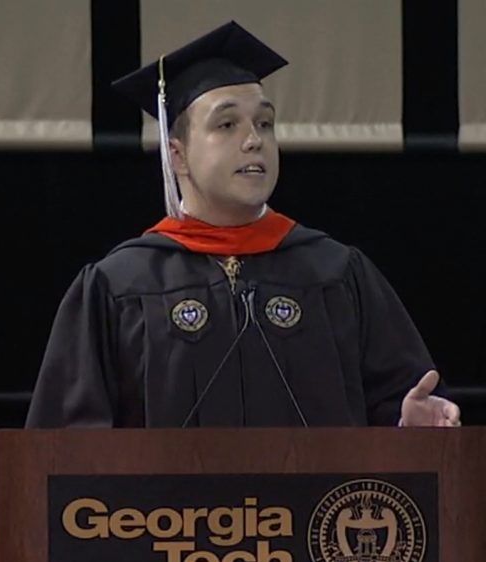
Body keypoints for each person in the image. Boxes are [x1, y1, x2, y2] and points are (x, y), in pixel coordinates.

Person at [26, 21, 460, 430]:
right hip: (170, 514)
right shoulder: (119, 287)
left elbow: (404, 411)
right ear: (177, 155)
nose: (254, 140)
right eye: (227, 124)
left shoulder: (336, 274)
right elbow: (66, 455)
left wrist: (411, 428)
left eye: (265, 124)